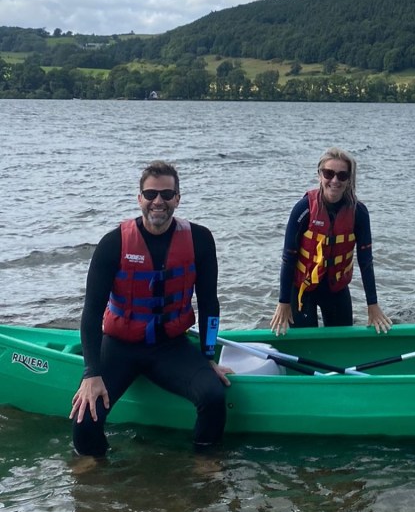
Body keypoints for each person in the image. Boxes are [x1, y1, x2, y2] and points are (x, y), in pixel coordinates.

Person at [70, 160, 232, 457]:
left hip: (170, 347)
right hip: (120, 347)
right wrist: (91, 373)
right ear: (140, 198)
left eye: (167, 195)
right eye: (151, 194)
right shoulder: (113, 243)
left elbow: (210, 302)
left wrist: (208, 356)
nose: (158, 201)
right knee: (85, 417)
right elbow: (92, 313)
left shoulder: (200, 239)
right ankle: (93, 476)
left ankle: (204, 466)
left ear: (177, 199)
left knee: (213, 396)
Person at [270, 147, 391, 335]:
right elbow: (288, 257)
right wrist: (283, 302)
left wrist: (372, 305)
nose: (335, 180)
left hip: (336, 290)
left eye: (342, 176)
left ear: (349, 179)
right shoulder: (303, 209)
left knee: (343, 343)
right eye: (329, 173)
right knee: (304, 344)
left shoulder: (358, 213)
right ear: (320, 175)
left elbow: (366, 261)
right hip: (303, 290)